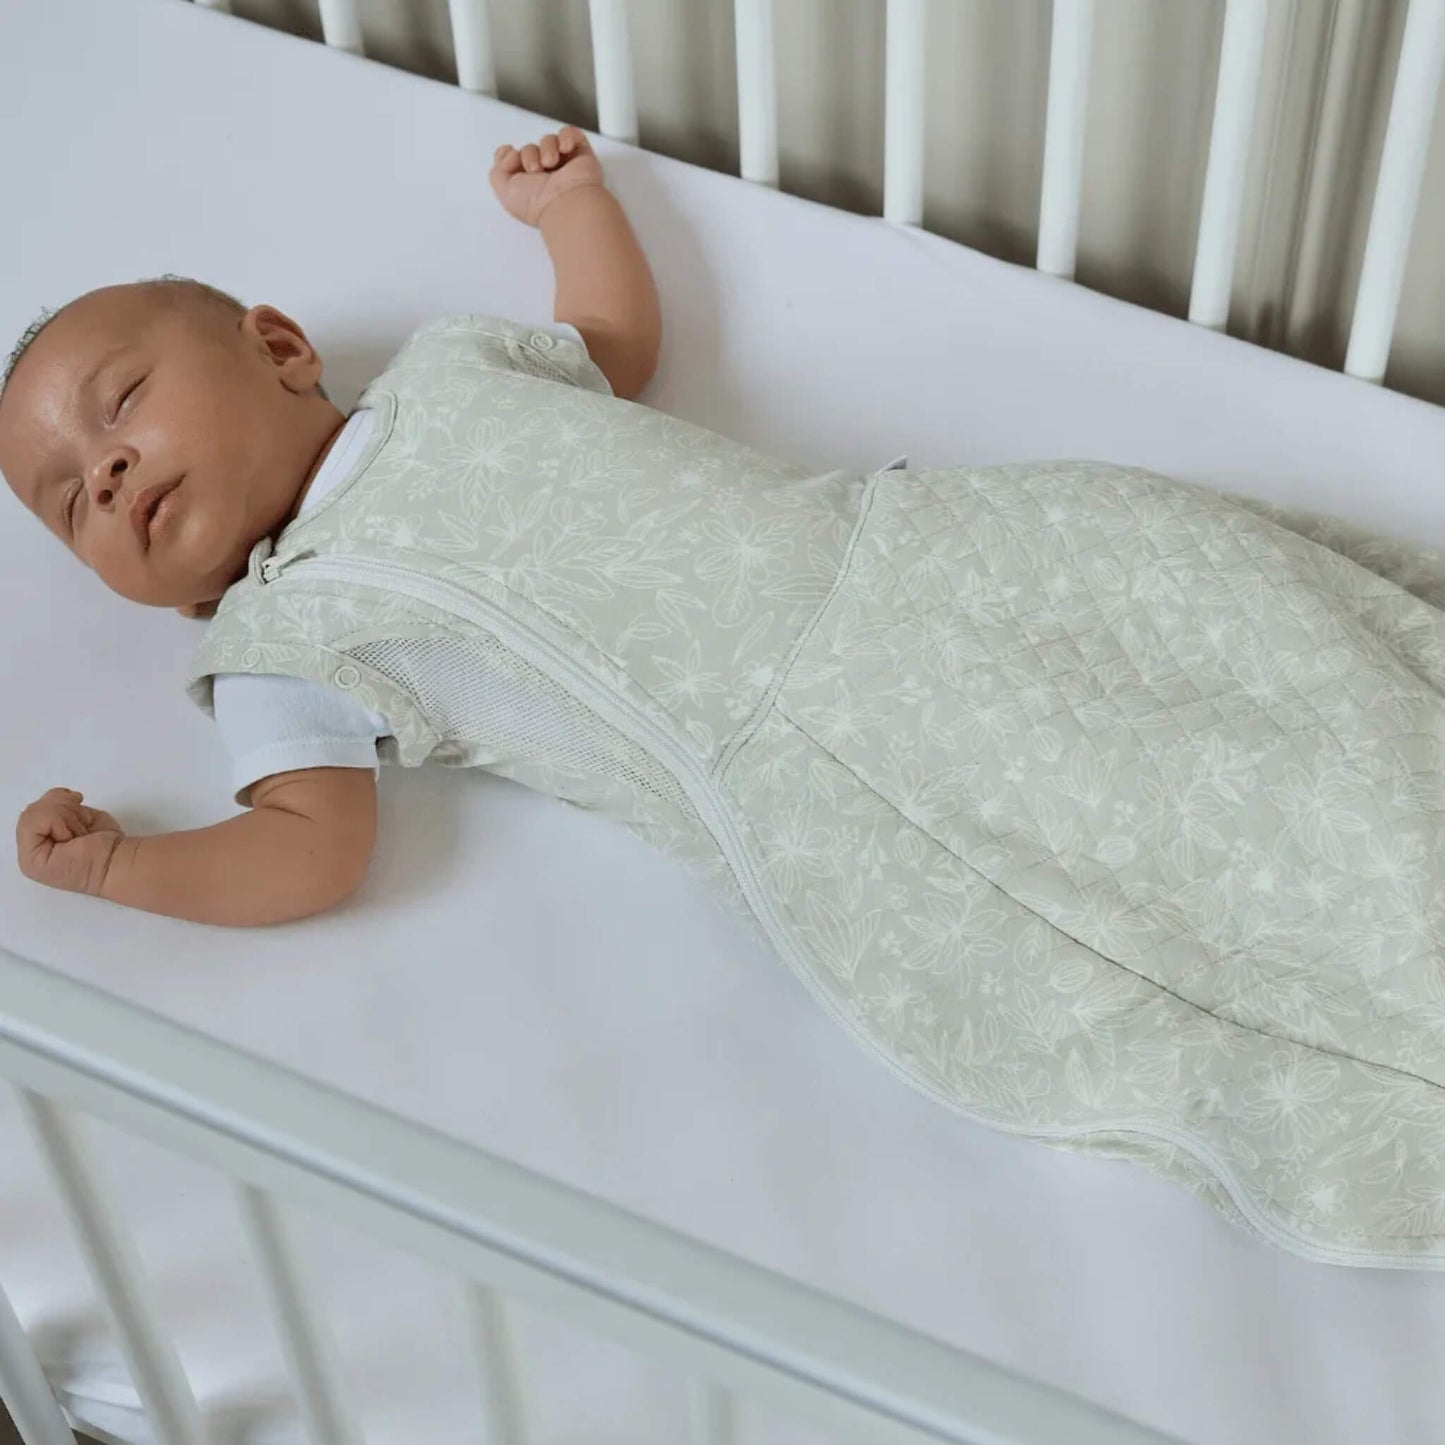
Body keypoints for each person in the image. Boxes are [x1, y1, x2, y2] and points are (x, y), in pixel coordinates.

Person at [5, 125, 1445, 1266]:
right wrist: (127, 864)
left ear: (276, 346)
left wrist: (573, 212)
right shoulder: (277, 638)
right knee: (1129, 850)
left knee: (1213, 630)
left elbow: (609, 351)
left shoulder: (448, 372)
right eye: (72, 501)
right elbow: (308, 844)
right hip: (814, 756)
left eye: (120, 404)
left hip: (905, 550)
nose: (110, 472)